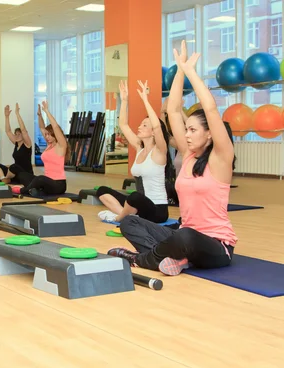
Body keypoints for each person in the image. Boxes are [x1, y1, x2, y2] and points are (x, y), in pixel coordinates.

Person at [108, 40, 237, 276]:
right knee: (129, 222)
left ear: (209, 134)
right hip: (182, 236)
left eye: (193, 130)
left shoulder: (221, 159)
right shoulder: (188, 155)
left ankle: (141, 259)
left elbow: (210, 109)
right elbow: (174, 110)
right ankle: (174, 259)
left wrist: (191, 73)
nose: (186, 135)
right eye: (185, 130)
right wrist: (179, 71)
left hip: (215, 246)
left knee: (185, 236)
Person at [96, 80, 175, 224]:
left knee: (134, 197)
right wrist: (124, 100)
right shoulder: (139, 148)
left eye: (144, 125)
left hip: (157, 210)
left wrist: (145, 99)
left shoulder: (160, 152)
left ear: (153, 133)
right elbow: (123, 124)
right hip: (139, 206)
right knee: (102, 190)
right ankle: (128, 215)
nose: (139, 127)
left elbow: (157, 126)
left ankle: (119, 218)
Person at [11, 101, 69, 196]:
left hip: (58, 185)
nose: (46, 137)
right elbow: (42, 127)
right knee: (23, 175)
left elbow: (55, 126)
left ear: (55, 134)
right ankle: (36, 190)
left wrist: (46, 111)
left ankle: (24, 191)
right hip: (46, 183)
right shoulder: (49, 145)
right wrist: (39, 116)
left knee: (40, 178)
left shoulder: (61, 145)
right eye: (46, 135)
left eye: (49, 135)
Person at [0, 104, 33, 183]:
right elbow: (8, 131)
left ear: (23, 135)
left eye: (19, 134)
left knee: (13, 166)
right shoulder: (16, 143)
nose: (17, 136)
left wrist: (17, 114)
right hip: (14, 173)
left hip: (25, 174)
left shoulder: (27, 144)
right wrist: (7, 117)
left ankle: (4, 179)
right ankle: (4, 179)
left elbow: (23, 130)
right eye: (16, 134)